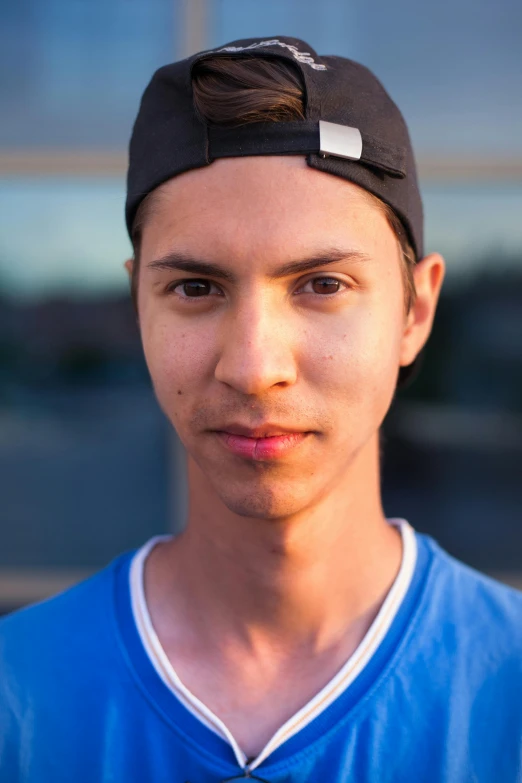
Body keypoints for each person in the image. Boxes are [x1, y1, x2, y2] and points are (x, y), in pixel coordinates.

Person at [0, 36, 521, 783]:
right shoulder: (18, 695)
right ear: (136, 305)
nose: (253, 368)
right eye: (196, 288)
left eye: (321, 285)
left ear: (416, 310)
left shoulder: (507, 698)